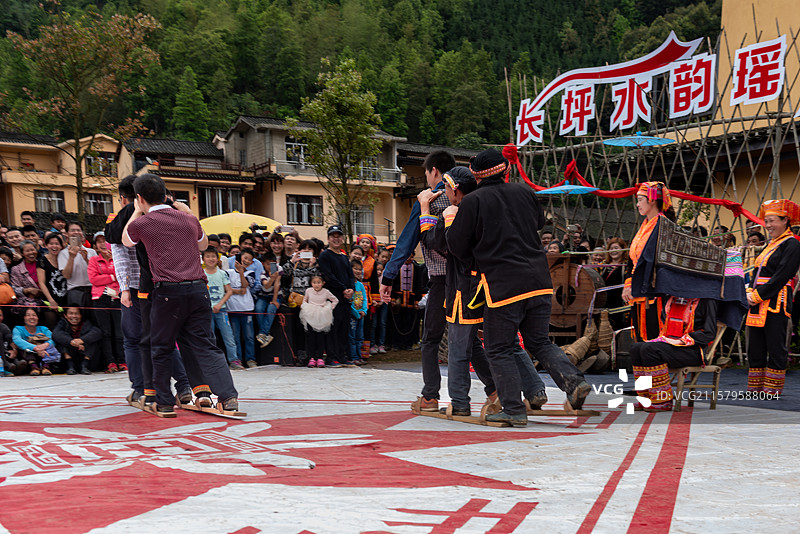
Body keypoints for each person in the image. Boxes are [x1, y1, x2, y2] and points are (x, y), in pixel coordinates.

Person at [445, 149, 590, 426]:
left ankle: (513, 408)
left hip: (503, 286)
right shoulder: (524, 192)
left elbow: (457, 246)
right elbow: (537, 223)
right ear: (504, 170)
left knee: (498, 347)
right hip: (539, 280)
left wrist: (453, 222)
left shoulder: (473, 201)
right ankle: (574, 382)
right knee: (539, 342)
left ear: (476, 175)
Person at [122, 173, 239, 416]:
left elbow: (126, 241)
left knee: (162, 347)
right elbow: (203, 245)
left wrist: (135, 211)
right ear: (166, 195)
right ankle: (228, 398)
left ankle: (164, 403)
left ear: (140, 198)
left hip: (167, 292)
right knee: (207, 346)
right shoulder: (187, 220)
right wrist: (188, 214)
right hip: (198, 290)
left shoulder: (141, 223)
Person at [106, 174, 192, 408]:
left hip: (137, 288)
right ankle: (182, 386)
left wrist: (124, 289)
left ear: (125, 198)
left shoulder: (120, 223)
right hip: (168, 285)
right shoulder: (172, 215)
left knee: (136, 341)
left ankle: (143, 390)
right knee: (163, 340)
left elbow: (120, 255)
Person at [380, 150, 455, 411]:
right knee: (469, 338)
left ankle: (430, 396)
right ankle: (493, 393)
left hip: (441, 280)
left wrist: (388, 275)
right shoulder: (467, 200)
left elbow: (406, 243)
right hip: (468, 280)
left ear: (434, 171)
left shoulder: (428, 201)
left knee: (431, 340)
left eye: (425, 172)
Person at [745, 199, 800, 395]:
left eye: (772, 221)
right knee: (755, 345)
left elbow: (782, 275)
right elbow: (756, 272)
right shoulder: (771, 244)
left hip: (776, 300)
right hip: (756, 301)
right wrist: (750, 292)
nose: (767, 226)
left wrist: (757, 295)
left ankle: (772, 389)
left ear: (785, 220)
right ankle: (755, 388)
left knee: (776, 345)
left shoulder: (792, 244)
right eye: (766, 221)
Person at [630, 298, 719, 411]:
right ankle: (646, 397)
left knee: (650, 349)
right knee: (636, 348)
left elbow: (709, 333)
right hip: (670, 345)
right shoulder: (672, 298)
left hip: (692, 350)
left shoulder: (707, 300)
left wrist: (681, 341)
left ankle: (663, 400)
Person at [621, 182, 676, 342]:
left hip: (656, 290)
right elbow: (632, 261)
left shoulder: (664, 226)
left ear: (651, 200)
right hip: (639, 289)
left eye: (640, 199)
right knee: (639, 336)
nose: (637, 204)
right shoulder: (644, 227)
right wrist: (628, 284)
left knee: (654, 334)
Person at [87, 231, 126, 372]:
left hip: (117, 297)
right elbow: (93, 279)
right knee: (105, 332)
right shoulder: (93, 260)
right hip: (100, 298)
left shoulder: (118, 258)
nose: (102, 244)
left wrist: (110, 273)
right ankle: (110, 362)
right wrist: (112, 277)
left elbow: (122, 275)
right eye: (99, 242)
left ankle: (122, 361)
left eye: (105, 241)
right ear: (95, 246)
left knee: (119, 332)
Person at [317, 224, 355, 367]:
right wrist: (343, 288)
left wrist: (351, 288)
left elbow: (350, 275)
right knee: (333, 328)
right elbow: (328, 276)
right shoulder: (325, 255)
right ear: (328, 238)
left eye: (338, 236)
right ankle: (331, 357)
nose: (336, 239)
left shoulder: (344, 257)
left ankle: (342, 355)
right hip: (332, 298)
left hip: (346, 298)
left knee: (344, 328)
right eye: (333, 236)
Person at [202, 247, 241, 370]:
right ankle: (211, 361)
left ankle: (234, 360)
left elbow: (229, 291)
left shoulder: (222, 273)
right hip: (206, 311)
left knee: (228, 336)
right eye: (207, 256)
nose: (210, 259)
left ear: (217, 258)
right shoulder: (201, 274)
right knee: (209, 337)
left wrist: (219, 304)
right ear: (203, 259)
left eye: (213, 256)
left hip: (221, 310)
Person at [300, 274, 338, 368]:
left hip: (321, 316)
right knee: (311, 338)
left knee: (320, 338)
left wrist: (329, 308)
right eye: (314, 282)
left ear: (323, 283)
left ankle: (320, 358)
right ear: (311, 283)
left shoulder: (326, 292)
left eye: (318, 283)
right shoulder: (308, 291)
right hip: (311, 315)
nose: (316, 285)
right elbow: (304, 300)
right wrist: (305, 307)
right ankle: (312, 357)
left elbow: (335, 300)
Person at [226, 256, 257, 368]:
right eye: (242, 259)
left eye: (248, 259)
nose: (244, 261)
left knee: (249, 336)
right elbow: (226, 288)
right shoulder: (228, 272)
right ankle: (237, 359)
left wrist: (241, 272)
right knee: (235, 336)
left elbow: (245, 286)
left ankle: (250, 359)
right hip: (232, 308)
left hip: (246, 308)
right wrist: (237, 291)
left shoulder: (250, 273)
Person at [51, 307, 103, 375]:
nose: (74, 316)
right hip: (68, 360)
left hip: (86, 359)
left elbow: (97, 332)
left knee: (91, 340)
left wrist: (82, 340)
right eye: (71, 313)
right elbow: (56, 334)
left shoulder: (86, 324)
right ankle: (70, 367)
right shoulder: (62, 323)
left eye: (76, 314)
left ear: (81, 315)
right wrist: (71, 342)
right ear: (65, 316)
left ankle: (84, 366)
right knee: (62, 340)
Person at [58, 221, 97, 309]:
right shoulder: (63, 253)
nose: (76, 232)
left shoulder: (91, 252)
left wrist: (86, 259)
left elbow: (98, 272)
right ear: (67, 234)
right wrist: (71, 257)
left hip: (92, 290)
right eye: (72, 230)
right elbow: (66, 275)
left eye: (78, 230)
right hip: (75, 291)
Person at [255, 233, 284, 347]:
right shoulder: (262, 273)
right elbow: (266, 286)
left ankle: (263, 333)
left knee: (272, 308)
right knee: (258, 308)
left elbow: (277, 284)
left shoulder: (279, 269)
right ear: (263, 264)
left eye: (272, 263)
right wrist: (271, 277)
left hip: (276, 295)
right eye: (267, 264)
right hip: (264, 295)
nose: (270, 266)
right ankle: (265, 334)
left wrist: (275, 300)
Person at [12, 307, 60, 375]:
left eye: (34, 315)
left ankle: (46, 367)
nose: (32, 317)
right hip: (29, 356)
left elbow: (53, 339)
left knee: (50, 347)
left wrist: (44, 346)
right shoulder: (18, 329)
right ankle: (34, 367)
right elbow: (17, 340)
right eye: (28, 315)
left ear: (37, 318)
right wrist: (35, 348)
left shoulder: (43, 329)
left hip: (44, 354)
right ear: (24, 318)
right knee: (26, 347)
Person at [37, 233, 68, 324]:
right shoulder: (42, 261)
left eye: (57, 244)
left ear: (61, 246)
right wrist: (51, 300)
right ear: (46, 245)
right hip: (49, 301)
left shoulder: (65, 259)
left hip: (65, 300)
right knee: (52, 328)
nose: (54, 246)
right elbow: (41, 283)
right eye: (51, 244)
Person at [10, 241, 45, 320]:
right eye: (27, 251)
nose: (31, 253)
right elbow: (14, 289)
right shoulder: (16, 269)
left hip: (44, 300)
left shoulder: (43, 264)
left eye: (32, 250)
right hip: (26, 304)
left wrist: (41, 291)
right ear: (22, 253)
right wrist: (27, 290)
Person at [602, 237, 629, 330]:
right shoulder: (603, 266)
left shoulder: (627, 266)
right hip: (605, 303)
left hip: (621, 303)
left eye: (616, 248)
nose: (613, 251)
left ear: (623, 249)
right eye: (611, 248)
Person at [349, 259, 368, 365]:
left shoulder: (360, 285)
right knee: (352, 337)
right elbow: (349, 301)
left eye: (359, 269)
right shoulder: (348, 284)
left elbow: (364, 298)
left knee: (360, 337)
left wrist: (364, 310)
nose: (357, 271)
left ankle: (359, 356)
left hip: (361, 314)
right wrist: (356, 313)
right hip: (353, 315)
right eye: (355, 268)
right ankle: (353, 356)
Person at [369, 262, 388, 355]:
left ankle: (381, 344)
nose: (379, 272)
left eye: (381, 269)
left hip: (384, 303)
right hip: (374, 303)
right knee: (373, 324)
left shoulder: (385, 279)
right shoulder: (372, 279)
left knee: (382, 323)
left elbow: (388, 291)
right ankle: (372, 345)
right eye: (377, 269)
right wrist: (374, 301)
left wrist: (382, 301)